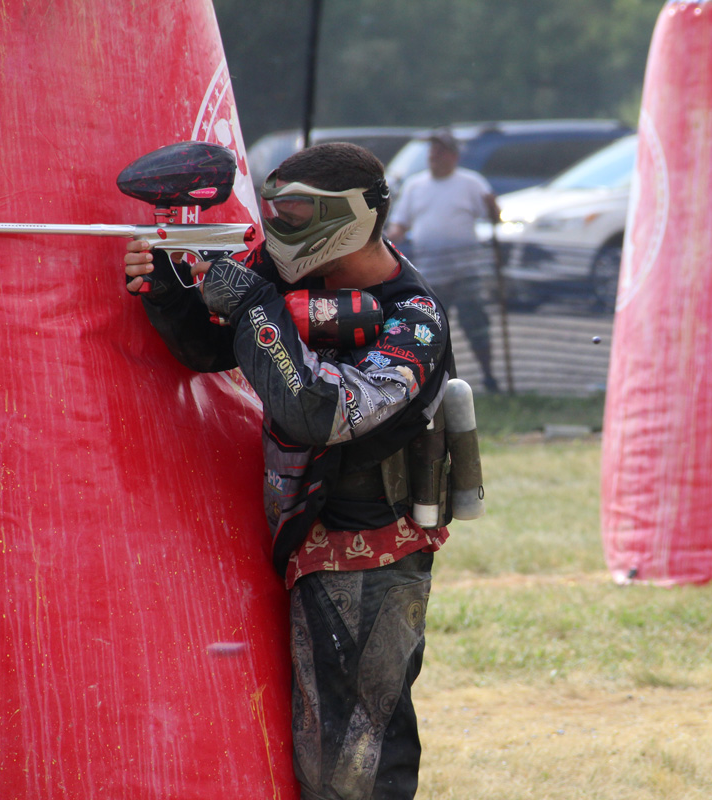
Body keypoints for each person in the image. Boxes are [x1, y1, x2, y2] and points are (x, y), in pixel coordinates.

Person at [125, 143, 455, 798]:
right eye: (277, 211)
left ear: (352, 217)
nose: (278, 228)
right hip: (304, 537)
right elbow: (209, 346)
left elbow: (319, 411)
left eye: (297, 215)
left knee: (359, 752)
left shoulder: (414, 320)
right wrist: (164, 287)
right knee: (317, 744)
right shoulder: (285, 274)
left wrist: (254, 307)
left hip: (374, 554)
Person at [386, 128, 503, 392]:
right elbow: (400, 225)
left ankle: (489, 376)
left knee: (476, 326)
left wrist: (494, 207)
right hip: (430, 274)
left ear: (453, 155)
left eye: (440, 151)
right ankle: (434, 382)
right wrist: (388, 241)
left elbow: (494, 216)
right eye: (432, 151)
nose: (433, 156)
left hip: (466, 271)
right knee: (431, 330)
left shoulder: (471, 182)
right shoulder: (415, 185)